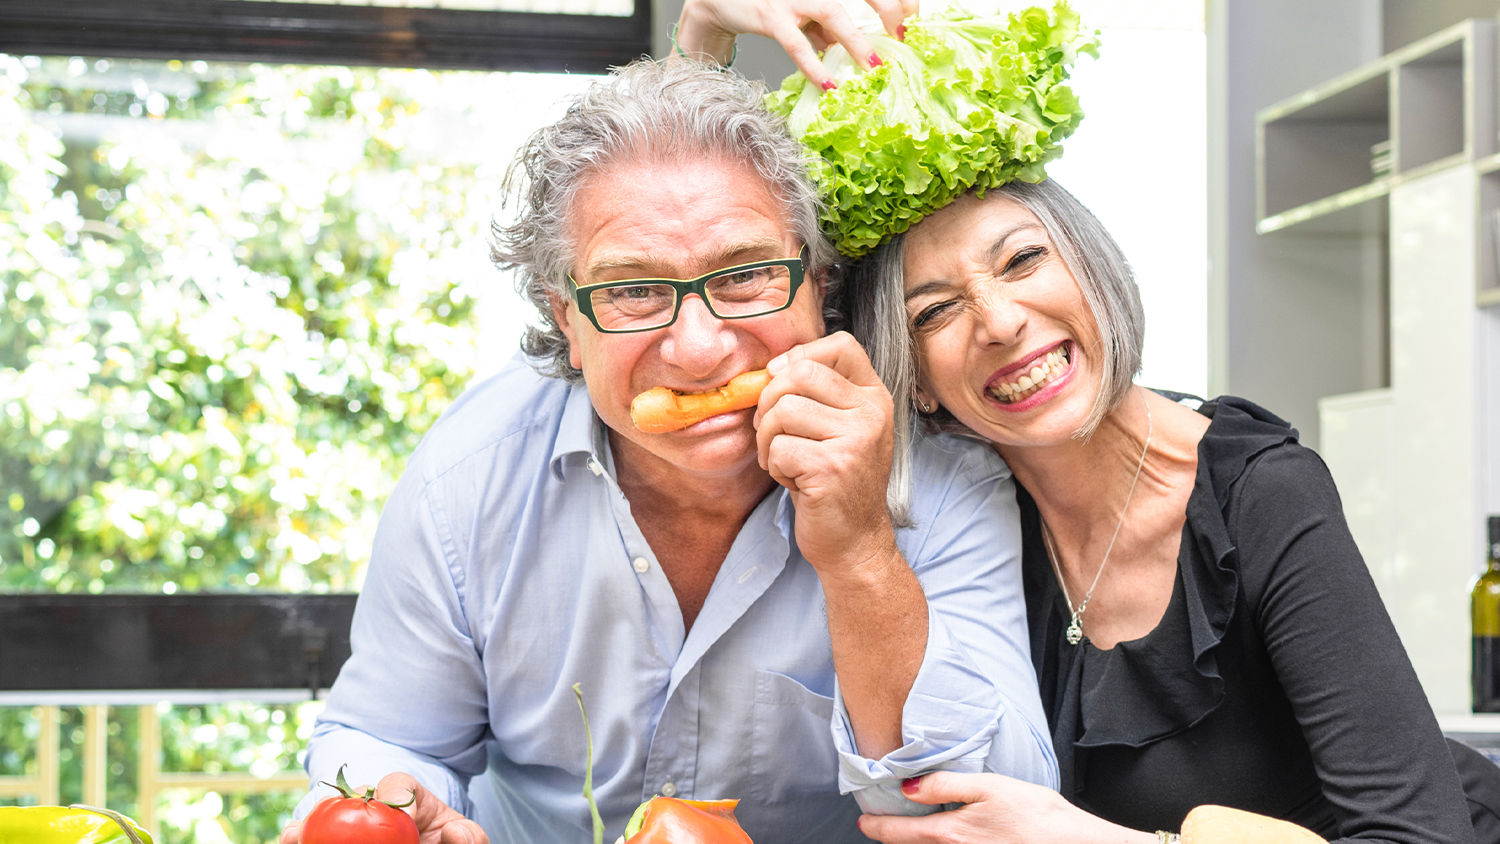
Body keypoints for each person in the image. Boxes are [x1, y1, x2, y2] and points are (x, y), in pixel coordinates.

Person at [673, 3, 1491, 843]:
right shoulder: (961, 528)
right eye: (934, 312)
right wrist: (705, 29)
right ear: (912, 382)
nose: (998, 322)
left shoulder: (1259, 492)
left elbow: (1423, 835)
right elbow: (732, 301)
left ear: (1092, 264)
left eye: (1023, 260)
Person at [277, 58, 1056, 844]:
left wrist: (860, 552)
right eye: (632, 291)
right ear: (567, 321)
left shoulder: (946, 480)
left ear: (820, 287)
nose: (697, 349)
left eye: (746, 276)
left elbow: (994, 817)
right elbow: (393, 738)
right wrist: (399, 804)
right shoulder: (467, 476)